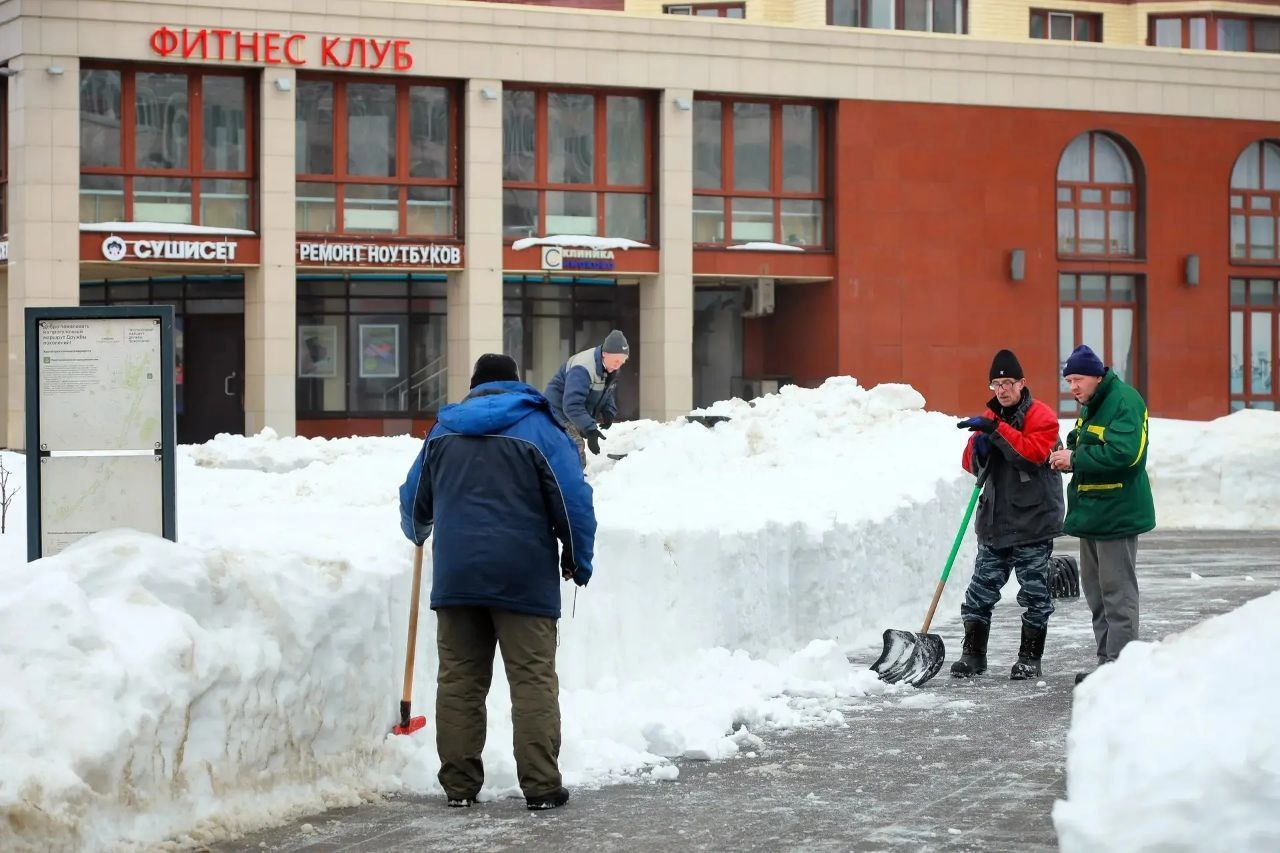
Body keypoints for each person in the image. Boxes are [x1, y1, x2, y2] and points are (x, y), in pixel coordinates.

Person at [398, 353, 596, 811]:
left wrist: (419, 529)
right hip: (523, 577)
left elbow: (413, 501)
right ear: (515, 383)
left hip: (457, 576)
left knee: (461, 680)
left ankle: (459, 787)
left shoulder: (443, 431)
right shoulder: (541, 429)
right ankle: (542, 787)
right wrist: (577, 558)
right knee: (531, 680)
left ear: (474, 386)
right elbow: (574, 501)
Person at [953, 349, 1065, 680]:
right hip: (995, 524)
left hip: (1033, 524)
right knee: (978, 594)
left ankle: (1030, 659)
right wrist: (980, 448)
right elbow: (970, 464)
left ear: (1022, 384)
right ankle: (973, 656)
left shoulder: (1042, 417)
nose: (1002, 390)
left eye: (1008, 383)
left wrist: (996, 432)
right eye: (996, 384)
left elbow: (1031, 455)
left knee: (1034, 596)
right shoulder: (990, 419)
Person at [1049, 345, 1154, 685]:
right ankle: (1106, 663)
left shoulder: (1124, 401)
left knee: (1117, 592)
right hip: (1094, 513)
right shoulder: (1094, 404)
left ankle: (1121, 669)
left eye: (1078, 379)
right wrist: (1068, 452)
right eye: (1068, 381)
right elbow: (1089, 443)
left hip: (1116, 513)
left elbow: (1126, 455)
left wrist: (1076, 459)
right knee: (1096, 594)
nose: (1073, 387)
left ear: (1097, 376)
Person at [544, 330, 629, 466]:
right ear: (605, 354)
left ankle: (576, 479)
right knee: (573, 447)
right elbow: (571, 405)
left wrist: (609, 411)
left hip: (572, 413)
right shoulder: (582, 368)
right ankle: (574, 482)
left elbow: (606, 391)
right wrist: (590, 429)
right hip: (556, 412)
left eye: (622, 362)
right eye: (616, 360)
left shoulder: (610, 367)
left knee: (573, 447)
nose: (618, 365)